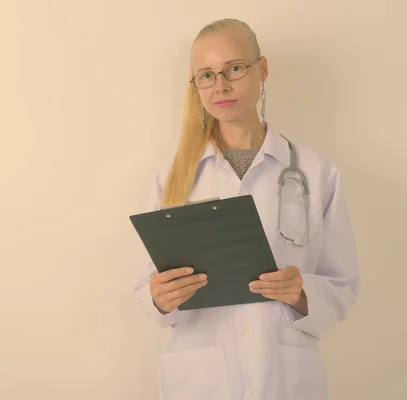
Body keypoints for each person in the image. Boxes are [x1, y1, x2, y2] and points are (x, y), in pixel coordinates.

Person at [132, 18, 359, 400]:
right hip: (200, 379)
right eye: (206, 75)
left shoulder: (317, 172)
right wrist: (159, 297)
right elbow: (145, 288)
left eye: (234, 69)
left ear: (262, 69)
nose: (220, 85)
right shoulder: (170, 179)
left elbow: (342, 285)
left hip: (287, 378)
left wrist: (301, 291)